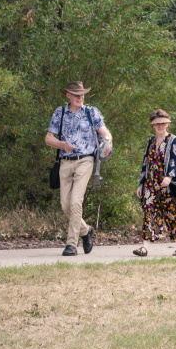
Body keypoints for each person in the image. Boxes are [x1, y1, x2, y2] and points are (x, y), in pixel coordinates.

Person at [44, 81, 113, 256]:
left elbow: (106, 133)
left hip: (85, 160)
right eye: (76, 94)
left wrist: (106, 142)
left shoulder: (91, 112)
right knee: (66, 205)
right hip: (65, 161)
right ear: (68, 95)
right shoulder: (60, 112)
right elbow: (48, 138)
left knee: (76, 201)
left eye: (82, 94)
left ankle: (71, 245)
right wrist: (62, 145)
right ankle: (86, 230)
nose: (80, 97)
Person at [134, 109, 176, 257]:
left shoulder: (172, 139)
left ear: (167, 124)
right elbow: (146, 162)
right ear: (153, 125)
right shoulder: (151, 141)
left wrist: (169, 177)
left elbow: (175, 159)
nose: (160, 126)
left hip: (167, 184)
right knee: (149, 212)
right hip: (151, 184)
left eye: (163, 123)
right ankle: (144, 247)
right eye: (157, 124)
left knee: (174, 213)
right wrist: (141, 184)